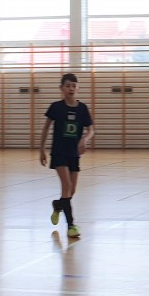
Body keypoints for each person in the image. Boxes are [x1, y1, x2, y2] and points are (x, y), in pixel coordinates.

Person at [39, 73, 95, 239]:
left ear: (78, 88)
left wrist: (84, 139)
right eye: (68, 86)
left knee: (71, 191)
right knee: (67, 186)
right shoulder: (56, 107)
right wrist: (42, 149)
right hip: (59, 152)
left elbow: (91, 130)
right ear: (61, 88)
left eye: (74, 86)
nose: (71, 89)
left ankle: (58, 205)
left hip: (74, 154)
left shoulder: (82, 108)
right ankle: (71, 226)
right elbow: (46, 128)